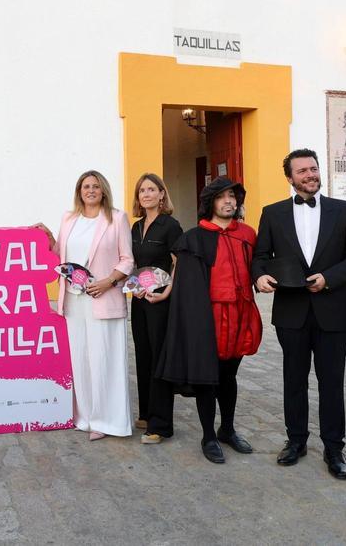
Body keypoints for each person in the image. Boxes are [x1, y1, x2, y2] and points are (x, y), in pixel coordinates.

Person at [252, 149, 346, 480]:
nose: (310, 174)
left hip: (333, 310)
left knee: (332, 382)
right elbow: (260, 256)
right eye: (302, 170)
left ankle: (334, 448)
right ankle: (296, 441)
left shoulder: (345, 210)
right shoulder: (272, 213)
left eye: (313, 169)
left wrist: (329, 278)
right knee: (294, 380)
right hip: (291, 312)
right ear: (290, 178)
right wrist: (259, 277)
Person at [150, 177, 261, 462]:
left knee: (229, 376)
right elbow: (187, 288)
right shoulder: (193, 238)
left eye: (233, 196)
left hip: (240, 315)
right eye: (222, 197)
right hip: (208, 318)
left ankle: (227, 429)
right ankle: (208, 436)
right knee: (206, 379)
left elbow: (258, 270)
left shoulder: (248, 234)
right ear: (210, 202)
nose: (229, 201)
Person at [46, 170, 135, 440]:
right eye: (86, 186)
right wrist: (47, 237)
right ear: (79, 191)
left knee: (104, 360)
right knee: (80, 360)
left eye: (96, 186)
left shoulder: (116, 218)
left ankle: (107, 421)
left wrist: (108, 282)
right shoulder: (68, 218)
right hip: (74, 301)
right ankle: (83, 416)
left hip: (103, 299)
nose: (91, 190)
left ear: (103, 190)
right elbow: (60, 253)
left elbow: (127, 260)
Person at [129, 173, 183, 434]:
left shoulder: (170, 225)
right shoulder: (136, 227)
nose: (146, 194)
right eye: (142, 191)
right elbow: (136, 264)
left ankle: (161, 424)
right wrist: (135, 286)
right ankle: (147, 413)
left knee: (160, 357)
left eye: (152, 189)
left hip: (161, 300)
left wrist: (168, 292)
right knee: (143, 354)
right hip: (140, 299)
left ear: (162, 194)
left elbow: (179, 262)